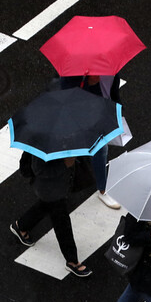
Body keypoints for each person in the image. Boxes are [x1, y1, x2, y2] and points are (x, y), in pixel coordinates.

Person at [11, 155, 91, 277]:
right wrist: (65, 165)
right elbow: (39, 170)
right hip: (49, 189)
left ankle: (21, 226)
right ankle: (72, 261)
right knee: (62, 223)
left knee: (45, 207)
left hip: (58, 186)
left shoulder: (60, 138)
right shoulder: (43, 143)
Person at [59, 74, 122, 209]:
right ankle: (62, 184)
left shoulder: (113, 70)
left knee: (100, 150)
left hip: (99, 114)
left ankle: (101, 188)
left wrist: (118, 112)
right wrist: (89, 84)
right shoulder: (74, 74)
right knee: (75, 153)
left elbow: (113, 93)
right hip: (80, 116)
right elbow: (67, 94)